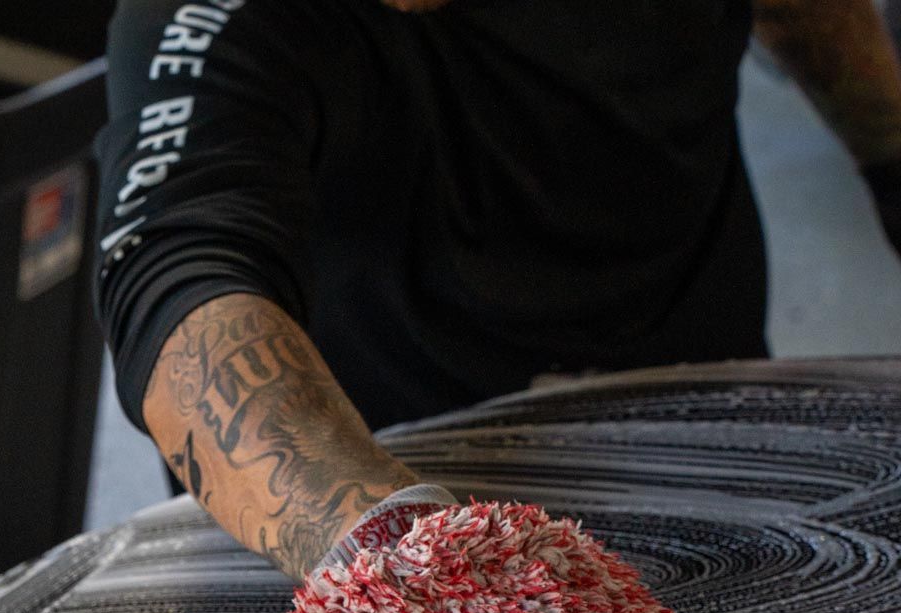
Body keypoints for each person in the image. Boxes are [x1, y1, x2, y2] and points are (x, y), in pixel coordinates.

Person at [94, 0, 901, 581]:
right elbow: (179, 275)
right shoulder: (207, 15)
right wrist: (401, 555)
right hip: (396, 488)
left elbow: (803, 13)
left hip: (721, 449)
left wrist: (891, 154)